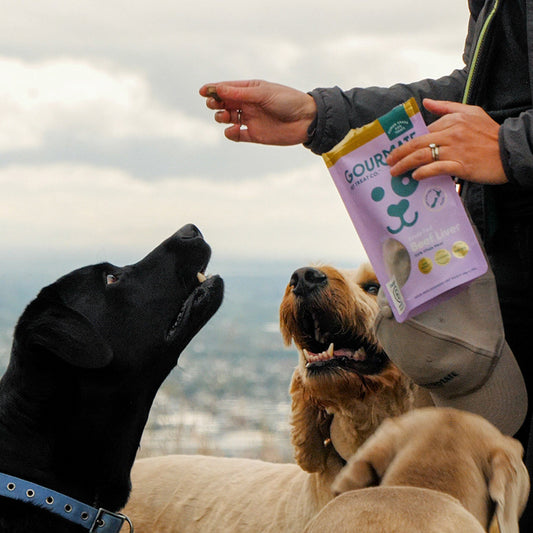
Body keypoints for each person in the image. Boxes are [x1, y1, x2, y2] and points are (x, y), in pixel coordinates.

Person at [200, 0, 533, 527]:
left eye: (376, 289)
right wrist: (320, 114)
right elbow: (483, 91)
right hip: (492, 325)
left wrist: (513, 145)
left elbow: (500, 118)